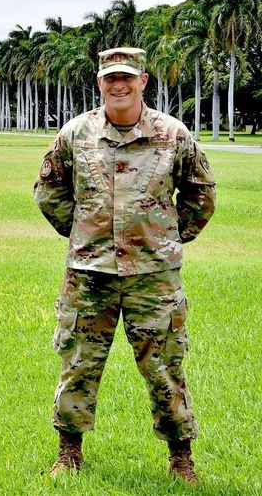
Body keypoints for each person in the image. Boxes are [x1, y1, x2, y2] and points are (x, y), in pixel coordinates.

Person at [33, 48, 216, 484]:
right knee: (78, 363)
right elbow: (48, 189)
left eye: (127, 77)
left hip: (154, 277)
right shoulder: (76, 134)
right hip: (89, 274)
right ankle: (69, 452)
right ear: (100, 83)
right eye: (110, 78)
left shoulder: (173, 134)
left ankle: (181, 458)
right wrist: (82, 232)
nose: (119, 85)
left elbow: (201, 193)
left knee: (165, 368)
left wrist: (168, 237)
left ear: (143, 81)